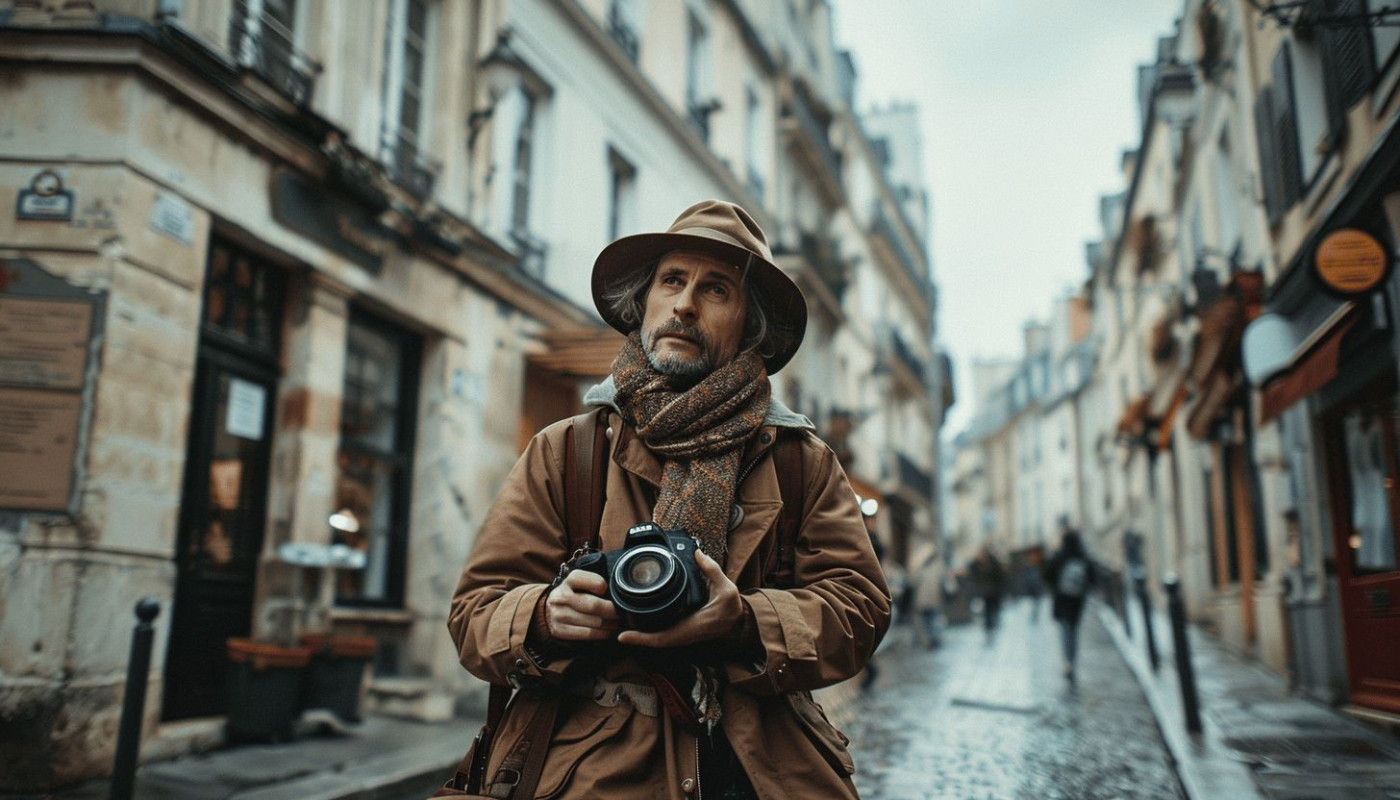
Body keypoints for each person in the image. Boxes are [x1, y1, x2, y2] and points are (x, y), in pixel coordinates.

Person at [448, 200, 892, 799]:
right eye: (672, 281)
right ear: (644, 303)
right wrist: (546, 616)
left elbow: (859, 609)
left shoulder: (799, 462)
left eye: (715, 290)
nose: (685, 303)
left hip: (757, 770)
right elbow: (475, 611)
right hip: (588, 775)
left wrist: (742, 621)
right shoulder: (568, 451)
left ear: (748, 325)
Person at [1042, 525, 1098, 683]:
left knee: (1065, 630)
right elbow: (1093, 578)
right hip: (1077, 600)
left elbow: (1047, 574)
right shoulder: (1082, 556)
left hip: (1062, 599)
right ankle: (1073, 660)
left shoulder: (1060, 556)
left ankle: (1067, 661)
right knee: (1074, 630)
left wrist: (1054, 588)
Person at [910, 550, 945, 649]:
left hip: (923, 600)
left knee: (926, 621)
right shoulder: (939, 568)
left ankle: (931, 640)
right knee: (933, 620)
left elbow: (913, 581)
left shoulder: (921, 569)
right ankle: (934, 639)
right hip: (934, 600)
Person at [968, 546, 1005, 632]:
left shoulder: (993, 563)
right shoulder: (977, 564)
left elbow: (999, 576)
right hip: (985, 591)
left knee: (993, 608)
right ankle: (989, 625)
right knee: (987, 609)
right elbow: (973, 572)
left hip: (994, 591)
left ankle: (992, 624)